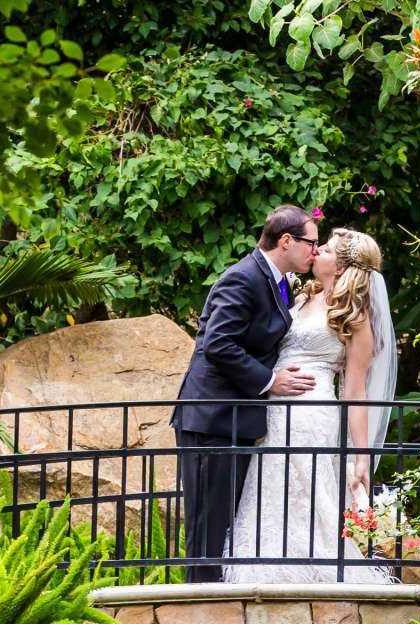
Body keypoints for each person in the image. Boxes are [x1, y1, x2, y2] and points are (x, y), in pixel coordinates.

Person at [224, 226, 399, 585]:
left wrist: (361, 456)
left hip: (312, 411)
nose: (317, 252)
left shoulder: (354, 315)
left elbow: (355, 389)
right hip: (274, 409)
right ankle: (262, 571)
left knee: (307, 493)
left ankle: (312, 574)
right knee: (269, 488)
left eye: (328, 250)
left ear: (342, 268)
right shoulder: (304, 296)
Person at [170, 206, 321, 582]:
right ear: (286, 241)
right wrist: (270, 381)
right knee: (208, 523)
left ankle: (216, 598)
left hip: (235, 418)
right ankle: (199, 609)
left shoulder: (278, 280)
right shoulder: (242, 278)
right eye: (311, 243)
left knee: (224, 525)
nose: (315, 252)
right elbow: (218, 344)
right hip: (212, 417)